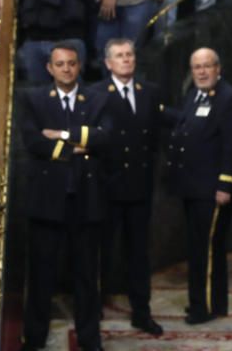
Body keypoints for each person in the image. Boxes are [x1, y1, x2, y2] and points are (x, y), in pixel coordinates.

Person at [17, 42, 109, 351]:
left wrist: (61, 136)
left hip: (86, 201)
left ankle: (89, 339)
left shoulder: (97, 98)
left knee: (86, 277)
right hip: (47, 202)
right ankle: (34, 339)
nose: (66, 68)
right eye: (60, 64)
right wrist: (80, 147)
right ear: (49, 68)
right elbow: (32, 141)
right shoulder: (33, 98)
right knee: (41, 277)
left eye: (71, 63)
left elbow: (104, 136)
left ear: (79, 66)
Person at [87, 38, 165, 337]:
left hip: (139, 189)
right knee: (102, 252)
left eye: (130, 54)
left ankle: (141, 312)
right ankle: (93, 309)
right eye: (119, 56)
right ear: (108, 63)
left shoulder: (149, 92)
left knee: (139, 255)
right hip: (107, 189)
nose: (126, 60)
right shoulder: (95, 94)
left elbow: (154, 138)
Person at [168, 47, 232, 324]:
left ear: (218, 68)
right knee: (197, 248)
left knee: (209, 249)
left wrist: (225, 184)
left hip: (214, 190)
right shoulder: (194, 95)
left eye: (207, 66)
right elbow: (184, 125)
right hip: (193, 188)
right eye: (196, 67)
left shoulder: (230, 98)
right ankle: (202, 302)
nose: (201, 72)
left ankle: (206, 307)